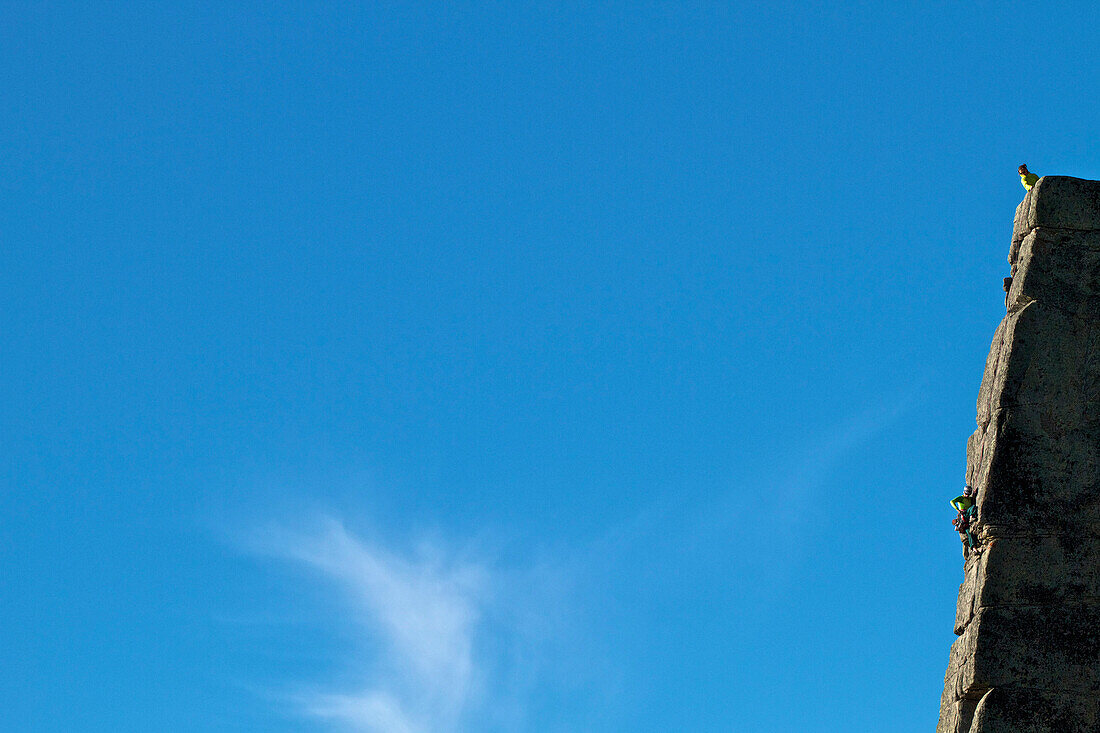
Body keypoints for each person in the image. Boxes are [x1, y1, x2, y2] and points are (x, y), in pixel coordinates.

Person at [951, 485, 978, 552]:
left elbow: (973, 501)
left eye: (968, 494)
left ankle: (973, 516)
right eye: (966, 494)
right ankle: (974, 548)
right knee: (969, 532)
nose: (967, 495)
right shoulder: (961, 498)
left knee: (973, 507)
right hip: (963, 514)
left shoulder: (970, 499)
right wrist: (957, 509)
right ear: (964, 492)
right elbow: (952, 502)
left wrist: (974, 495)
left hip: (968, 514)